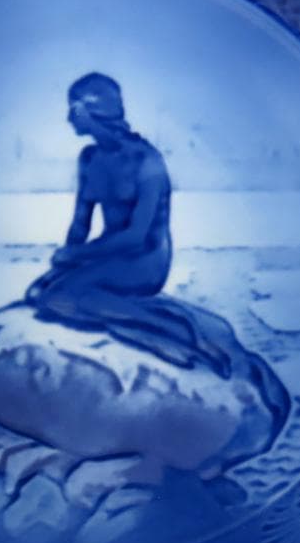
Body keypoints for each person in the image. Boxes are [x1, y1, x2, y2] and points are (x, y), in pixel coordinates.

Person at [26, 73, 229, 371]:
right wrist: (65, 260)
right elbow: (80, 224)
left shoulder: (147, 161)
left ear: (91, 111)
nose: (68, 118)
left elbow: (136, 237)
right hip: (108, 256)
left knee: (58, 298)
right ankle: (133, 319)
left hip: (144, 261)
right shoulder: (89, 158)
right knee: (36, 294)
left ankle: (173, 327)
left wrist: (75, 255)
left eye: (73, 108)